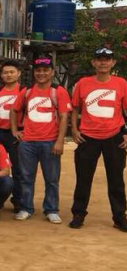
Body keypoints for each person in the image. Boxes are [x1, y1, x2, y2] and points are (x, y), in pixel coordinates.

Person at [69, 47, 127, 231]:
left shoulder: (121, 83)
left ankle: (120, 216)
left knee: (116, 179)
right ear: (93, 63)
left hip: (114, 137)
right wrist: (74, 130)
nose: (103, 62)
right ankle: (78, 213)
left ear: (113, 63)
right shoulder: (83, 83)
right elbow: (75, 108)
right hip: (87, 138)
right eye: (99, 59)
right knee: (83, 178)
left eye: (107, 59)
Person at [10, 56, 70, 223]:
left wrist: (59, 141)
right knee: (26, 177)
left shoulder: (58, 91)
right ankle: (25, 207)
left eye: (45, 70)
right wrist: (15, 130)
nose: (41, 73)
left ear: (52, 72)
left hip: (50, 142)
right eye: (38, 70)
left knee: (51, 178)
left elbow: (64, 117)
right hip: (27, 142)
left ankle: (51, 209)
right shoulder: (27, 91)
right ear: (34, 72)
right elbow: (14, 111)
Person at [0, 60, 24, 212]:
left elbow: (28, 113)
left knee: (18, 169)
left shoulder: (24, 91)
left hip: (16, 135)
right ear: (1, 75)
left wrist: (24, 130)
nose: (8, 75)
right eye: (5, 73)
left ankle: (18, 200)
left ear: (18, 73)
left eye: (11, 72)